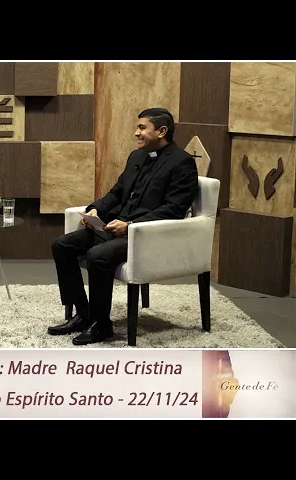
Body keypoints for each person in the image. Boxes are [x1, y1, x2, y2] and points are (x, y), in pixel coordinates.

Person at [49, 107, 198, 346]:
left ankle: (102, 325)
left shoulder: (182, 163)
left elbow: (174, 209)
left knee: (97, 255)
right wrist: (95, 210)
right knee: (62, 245)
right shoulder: (136, 157)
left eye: (142, 128)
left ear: (161, 131)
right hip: (116, 228)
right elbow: (117, 192)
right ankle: (84, 315)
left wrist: (130, 225)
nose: (136, 133)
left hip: (146, 235)